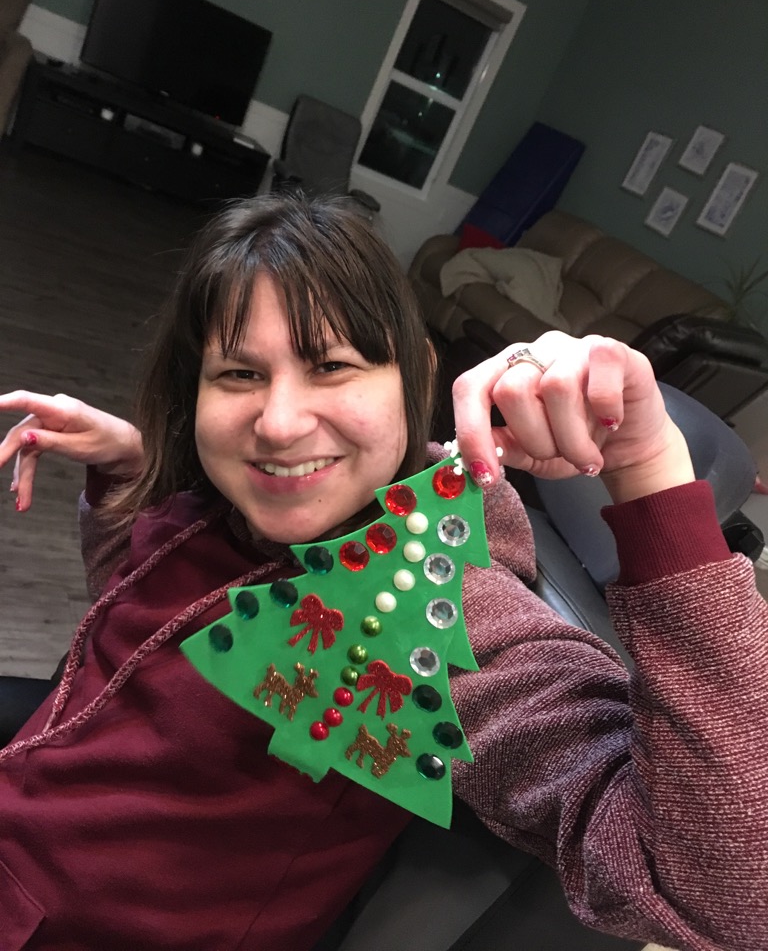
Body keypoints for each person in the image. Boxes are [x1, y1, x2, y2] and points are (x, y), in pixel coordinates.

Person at [0, 193, 765, 951]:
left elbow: (734, 897)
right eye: (238, 374)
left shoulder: (430, 612)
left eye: (332, 365)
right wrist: (134, 475)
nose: (279, 424)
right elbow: (136, 631)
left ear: (415, 375)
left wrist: (651, 474)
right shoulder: (220, 502)